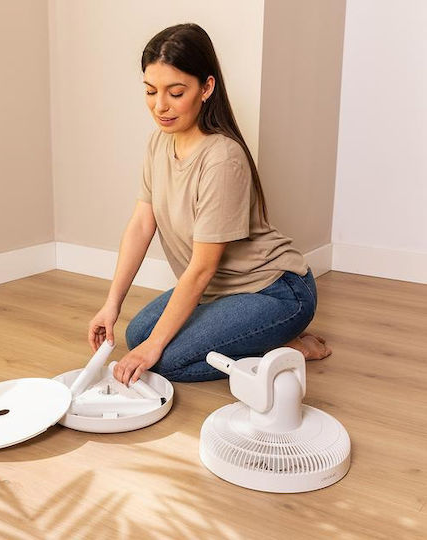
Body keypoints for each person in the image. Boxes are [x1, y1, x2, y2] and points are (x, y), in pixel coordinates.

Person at [88, 23, 331, 386]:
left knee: (163, 360)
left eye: (176, 92)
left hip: (275, 290)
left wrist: (156, 346)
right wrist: (112, 304)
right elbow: (141, 225)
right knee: (138, 336)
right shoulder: (158, 143)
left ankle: (283, 348)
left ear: (206, 88)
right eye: (151, 91)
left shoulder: (222, 158)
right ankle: (254, 338)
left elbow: (202, 267)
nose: (160, 106)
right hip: (218, 290)